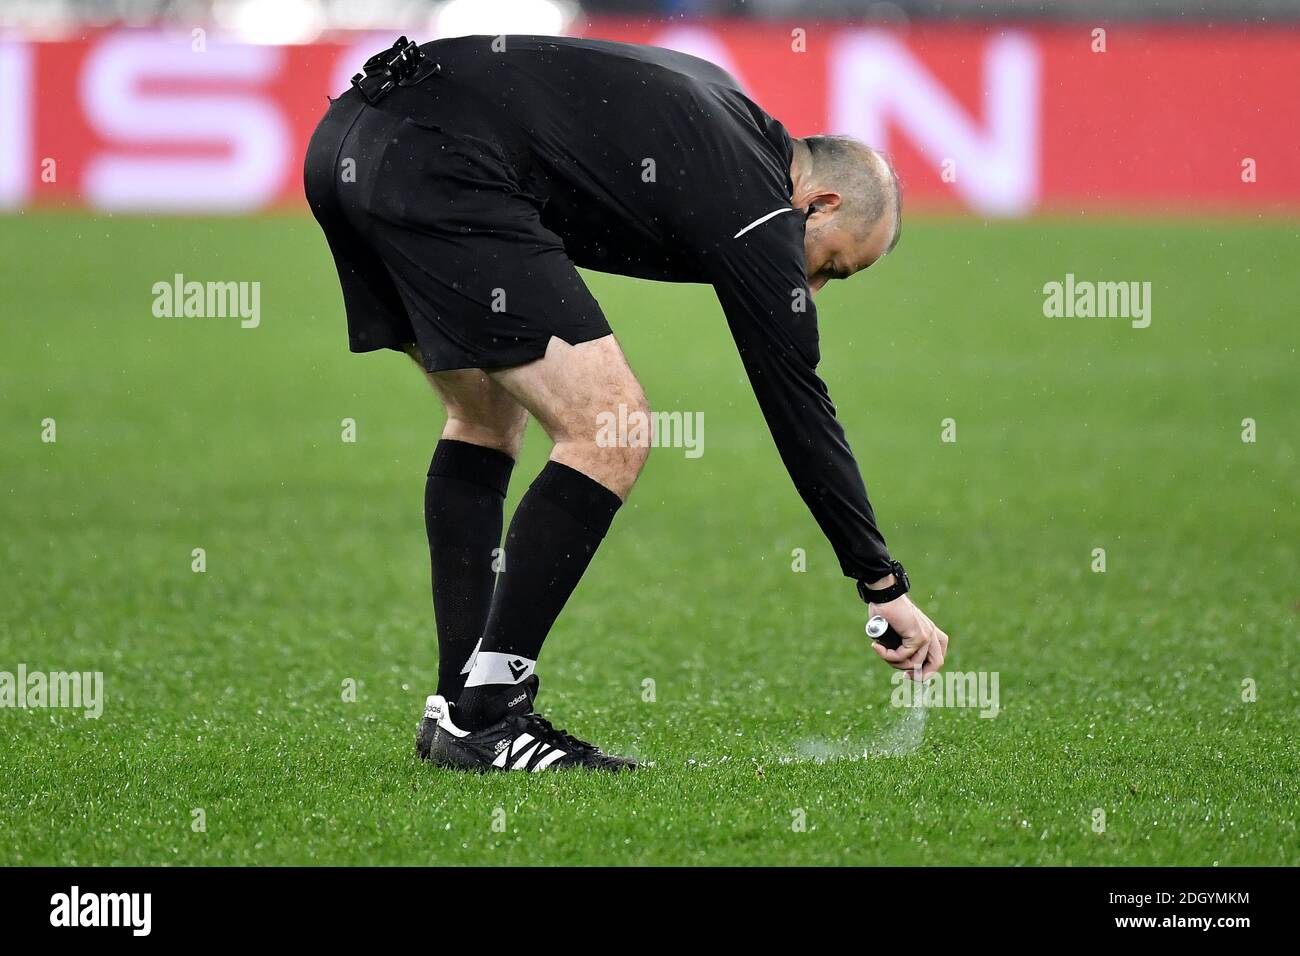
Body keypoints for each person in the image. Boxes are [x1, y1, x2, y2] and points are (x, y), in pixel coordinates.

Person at [304, 35, 950, 773]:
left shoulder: (723, 113)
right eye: (832, 264)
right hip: (444, 162)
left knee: (484, 414)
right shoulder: (758, 199)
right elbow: (797, 399)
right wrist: (881, 582)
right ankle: (488, 712)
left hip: (351, 139)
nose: (814, 289)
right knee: (608, 428)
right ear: (821, 201)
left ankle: (460, 710)